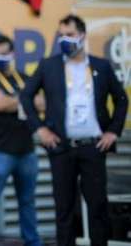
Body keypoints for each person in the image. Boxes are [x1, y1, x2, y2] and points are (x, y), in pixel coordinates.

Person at [20, 14, 128, 246]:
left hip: (93, 147)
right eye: (61, 35)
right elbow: (26, 96)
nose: (64, 40)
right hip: (61, 148)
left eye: (69, 35)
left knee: (98, 206)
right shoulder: (48, 66)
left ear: (82, 36)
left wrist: (113, 131)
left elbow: (121, 99)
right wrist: (39, 129)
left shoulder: (101, 66)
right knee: (64, 209)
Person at [0, 35, 43, 246]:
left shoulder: (23, 77)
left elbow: (43, 103)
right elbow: (0, 104)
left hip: (27, 149)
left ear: (13, 53)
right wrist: (26, 101)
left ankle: (32, 241)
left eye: (4, 53)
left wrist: (15, 101)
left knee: (28, 202)